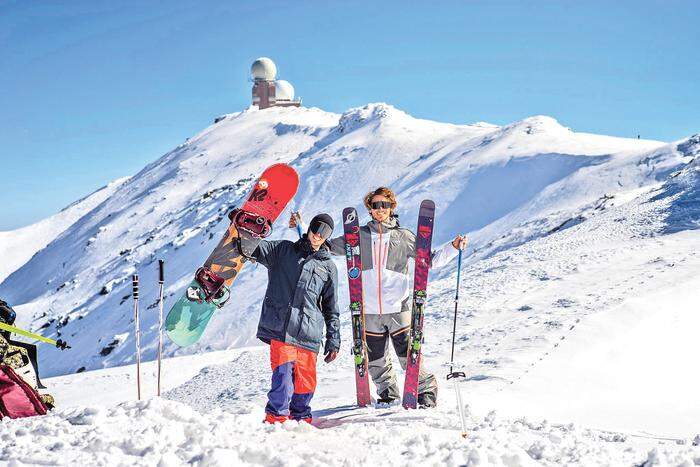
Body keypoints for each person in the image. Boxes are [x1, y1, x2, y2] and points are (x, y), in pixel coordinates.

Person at [293, 188, 467, 407]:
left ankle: (425, 389)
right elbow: (325, 245)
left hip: (398, 307)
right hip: (369, 309)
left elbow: (429, 260)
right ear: (370, 209)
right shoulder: (357, 236)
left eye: (384, 205)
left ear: (391, 207)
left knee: (408, 354)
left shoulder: (404, 236)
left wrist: (453, 247)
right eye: (375, 205)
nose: (380, 209)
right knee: (376, 359)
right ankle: (388, 393)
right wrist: (308, 235)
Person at [251, 213, 341, 424]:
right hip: (282, 328)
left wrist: (334, 339)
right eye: (316, 230)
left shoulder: (328, 268)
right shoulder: (283, 251)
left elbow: (331, 307)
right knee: (282, 378)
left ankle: (301, 421)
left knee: (306, 383)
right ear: (309, 228)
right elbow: (254, 248)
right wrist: (246, 227)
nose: (318, 236)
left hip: (310, 333)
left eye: (323, 233)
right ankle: (276, 419)